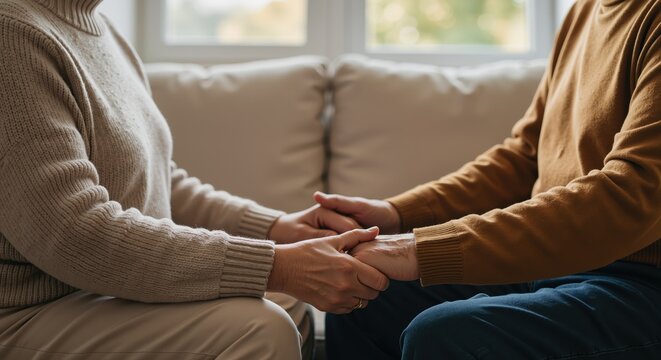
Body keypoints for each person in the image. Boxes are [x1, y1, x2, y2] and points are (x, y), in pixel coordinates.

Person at [0, 0, 389, 359]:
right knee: (258, 329)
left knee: (286, 302)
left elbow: (159, 181)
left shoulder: (100, 29)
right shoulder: (11, 34)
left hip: (97, 292)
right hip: (28, 311)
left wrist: (277, 228)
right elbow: (73, 233)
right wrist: (278, 265)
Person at [318, 0, 661, 359]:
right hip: (560, 263)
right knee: (357, 296)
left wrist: (420, 249)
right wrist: (396, 214)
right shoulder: (586, 10)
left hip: (641, 281)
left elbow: (631, 195)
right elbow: (526, 156)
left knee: (446, 336)